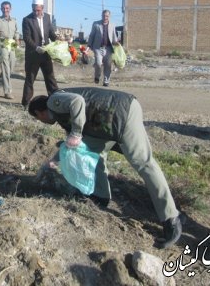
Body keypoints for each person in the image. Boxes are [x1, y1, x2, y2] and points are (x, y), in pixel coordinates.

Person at [28, 87, 183, 249]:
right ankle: (100, 196)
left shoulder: (53, 101)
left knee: (144, 163)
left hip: (122, 112)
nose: (42, 122)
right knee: (91, 150)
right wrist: (54, 161)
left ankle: (171, 219)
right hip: (105, 121)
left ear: (40, 112)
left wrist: (75, 133)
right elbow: (73, 143)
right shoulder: (62, 115)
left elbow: (77, 101)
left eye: (38, 118)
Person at [21, 0, 59, 109]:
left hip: (46, 53)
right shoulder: (27, 20)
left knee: (50, 78)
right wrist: (36, 48)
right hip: (33, 54)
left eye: (38, 10)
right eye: (34, 10)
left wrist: (57, 40)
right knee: (30, 79)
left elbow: (51, 33)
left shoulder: (47, 17)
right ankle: (26, 103)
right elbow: (27, 38)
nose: (35, 12)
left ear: (42, 8)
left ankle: (55, 100)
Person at [0, 1, 20, 100]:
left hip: (12, 43)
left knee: (11, 67)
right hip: (2, 43)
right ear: (1, 9)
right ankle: (8, 91)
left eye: (7, 8)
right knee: (5, 67)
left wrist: (17, 39)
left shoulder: (14, 20)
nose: (5, 10)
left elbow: (16, 32)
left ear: (10, 9)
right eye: (3, 8)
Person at [86, 9, 120, 86]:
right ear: (101, 16)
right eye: (104, 16)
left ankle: (106, 81)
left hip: (108, 48)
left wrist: (117, 43)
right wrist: (88, 47)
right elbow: (92, 36)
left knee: (108, 65)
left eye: (107, 16)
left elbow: (114, 37)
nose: (105, 17)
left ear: (109, 16)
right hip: (98, 48)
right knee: (98, 63)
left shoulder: (112, 25)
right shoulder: (96, 24)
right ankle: (97, 76)